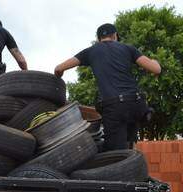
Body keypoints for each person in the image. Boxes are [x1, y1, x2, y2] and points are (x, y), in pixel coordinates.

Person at [54, 23, 161, 151]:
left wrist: (57, 77)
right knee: (130, 147)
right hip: (137, 103)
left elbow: (59, 68)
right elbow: (156, 69)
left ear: (99, 38)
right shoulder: (128, 48)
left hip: (114, 108)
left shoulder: (90, 51)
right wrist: (154, 61)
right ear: (115, 36)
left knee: (116, 155)